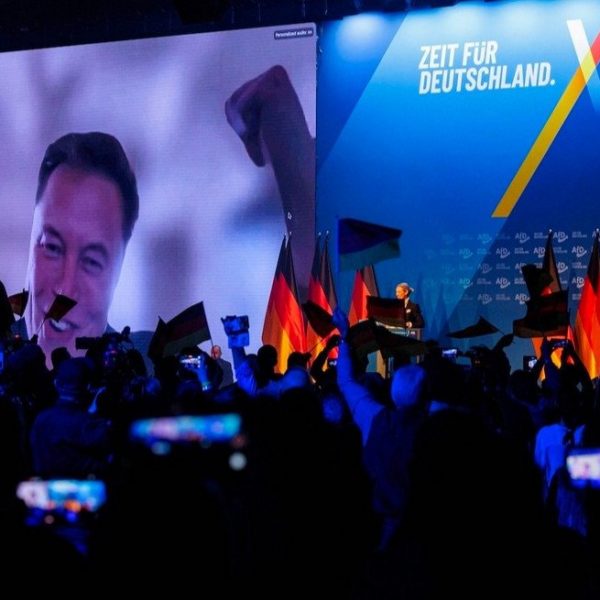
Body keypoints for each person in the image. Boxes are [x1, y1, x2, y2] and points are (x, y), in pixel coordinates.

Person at [14, 132, 139, 365]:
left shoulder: (144, 371)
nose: (65, 291)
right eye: (52, 248)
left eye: (91, 261)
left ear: (119, 270)